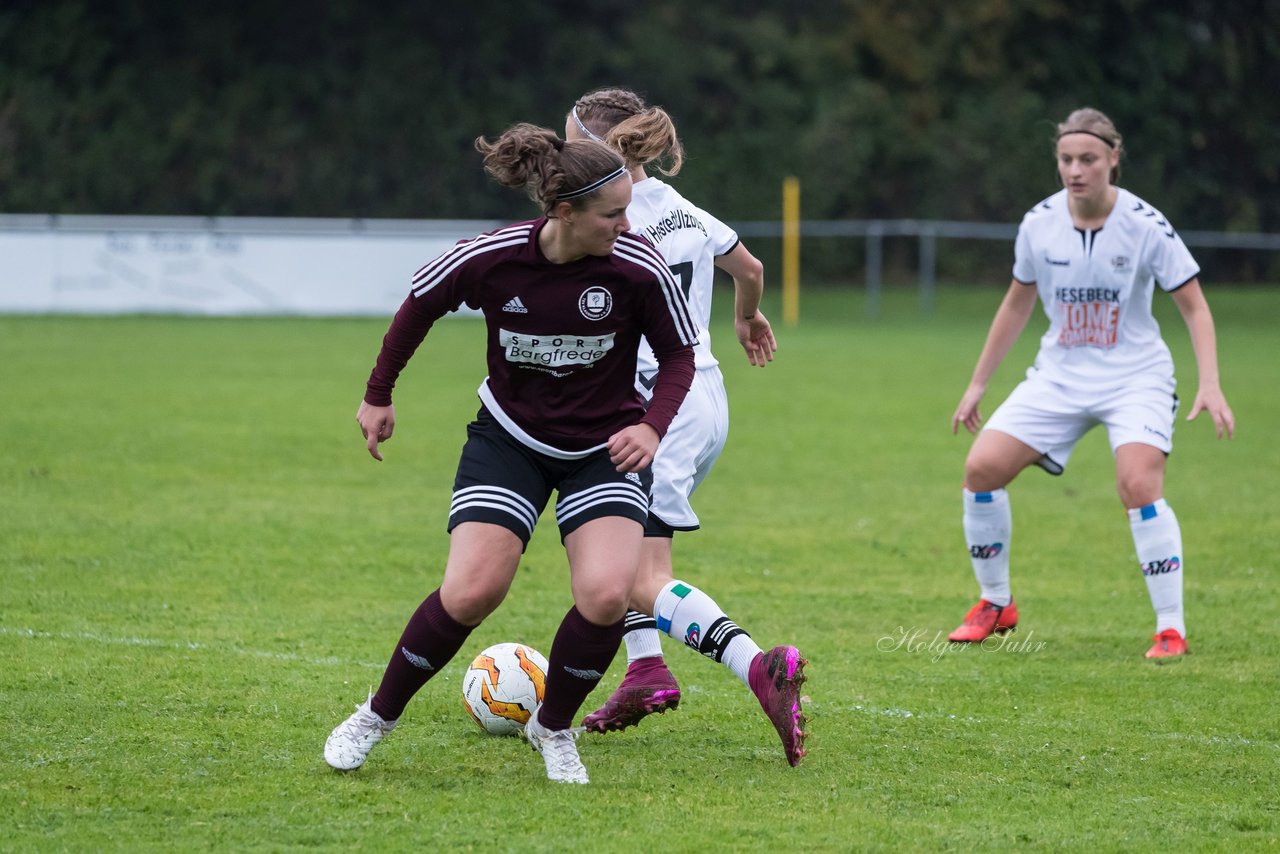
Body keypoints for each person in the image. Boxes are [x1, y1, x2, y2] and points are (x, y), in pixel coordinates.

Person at [323, 123, 698, 784]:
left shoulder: (638, 267)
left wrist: (654, 427)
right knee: (472, 590)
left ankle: (553, 728)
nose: (626, 223)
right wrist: (377, 395)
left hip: (603, 447)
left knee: (608, 595)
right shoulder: (494, 258)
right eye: (612, 214)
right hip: (510, 443)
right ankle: (376, 716)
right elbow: (419, 303)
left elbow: (678, 357)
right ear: (564, 213)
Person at [565, 88, 808, 766]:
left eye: (570, 140)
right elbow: (750, 268)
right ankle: (646, 670)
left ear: (598, 144)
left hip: (655, 406)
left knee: (639, 576)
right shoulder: (679, 207)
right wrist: (745, 315)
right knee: (607, 543)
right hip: (703, 394)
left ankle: (761, 667)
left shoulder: (602, 221)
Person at [949, 107, 1235, 659]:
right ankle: (995, 602)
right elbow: (1016, 303)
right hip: (1059, 375)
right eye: (1065, 159)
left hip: (1136, 376)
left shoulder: (1146, 225)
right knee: (981, 469)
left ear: (1113, 160)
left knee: (1138, 484)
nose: (1075, 170)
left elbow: (1196, 308)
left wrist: (1212, 382)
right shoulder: (1039, 222)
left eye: (1087, 159)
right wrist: (977, 384)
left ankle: (1170, 628)